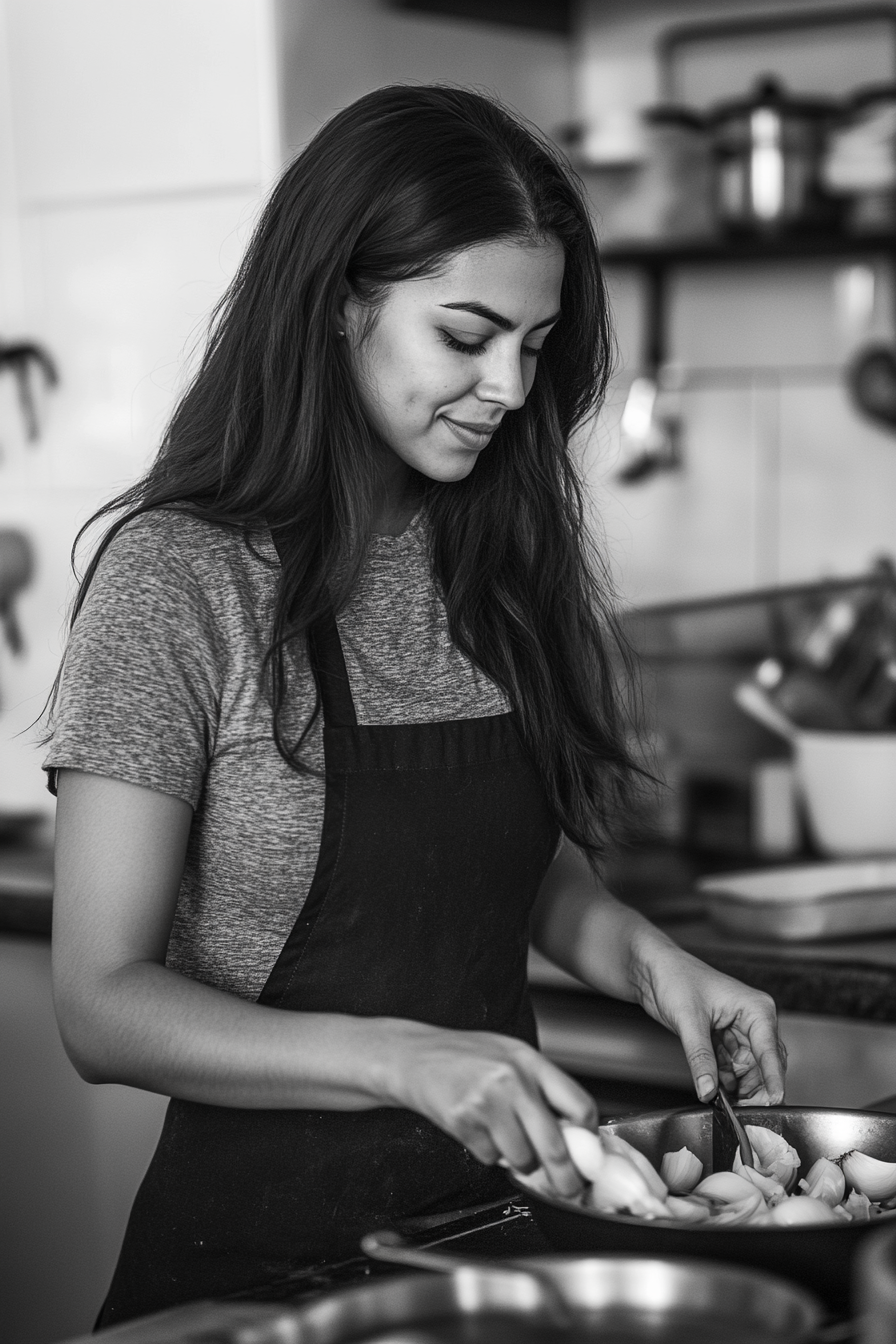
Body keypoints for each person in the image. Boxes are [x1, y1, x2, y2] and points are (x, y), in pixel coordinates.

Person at [44, 85, 786, 1327]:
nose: (504, 388)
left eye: (535, 346)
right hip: (257, 1275)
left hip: (500, 1242)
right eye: (465, 334)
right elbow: (101, 1005)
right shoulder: (181, 574)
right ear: (341, 300)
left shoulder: (494, 553)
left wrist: (654, 967)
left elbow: (512, 869)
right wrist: (404, 1059)